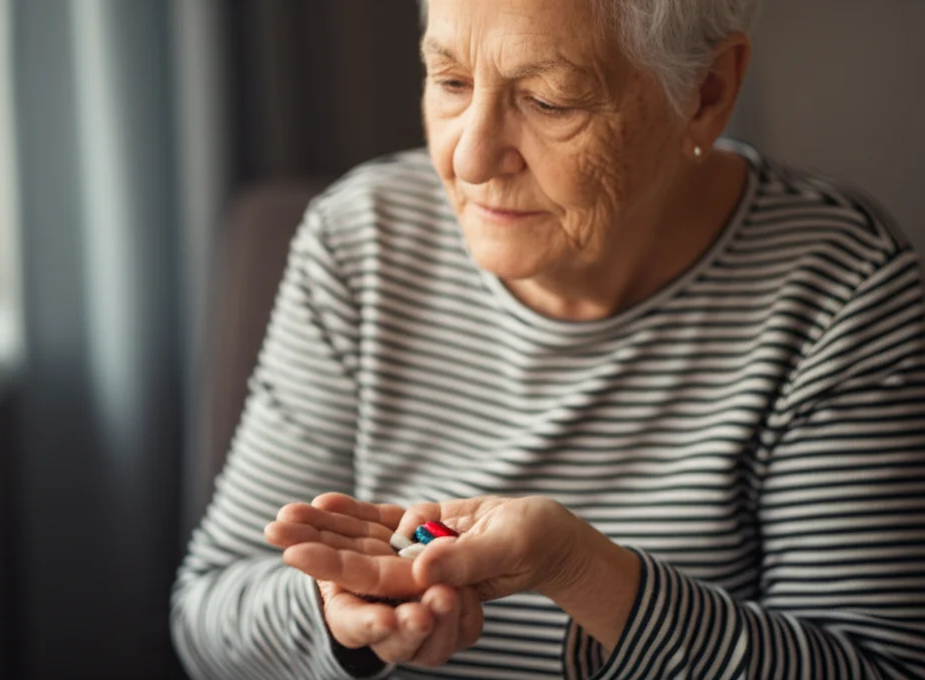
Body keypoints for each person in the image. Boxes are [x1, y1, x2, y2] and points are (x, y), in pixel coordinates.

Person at [171, 0, 925, 677]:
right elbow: (208, 615)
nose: (468, 159)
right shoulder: (362, 241)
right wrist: (339, 625)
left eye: (547, 99)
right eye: (452, 82)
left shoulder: (841, 293)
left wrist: (579, 571)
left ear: (705, 92)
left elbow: (877, 664)